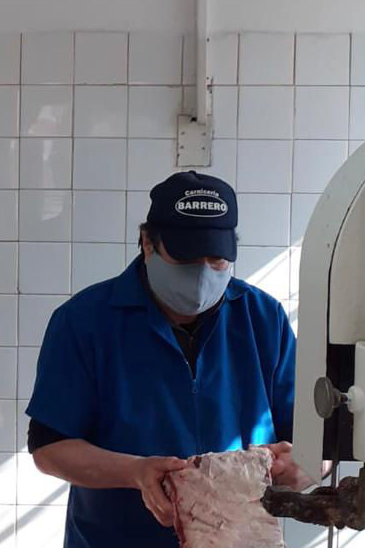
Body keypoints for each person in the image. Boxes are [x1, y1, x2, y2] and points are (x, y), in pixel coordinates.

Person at [26, 171, 307, 548]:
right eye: (185, 256)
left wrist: (303, 467)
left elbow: (313, 441)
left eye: (216, 258)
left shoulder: (263, 318)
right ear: (148, 243)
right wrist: (135, 471)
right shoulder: (84, 322)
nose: (202, 271)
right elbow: (49, 448)